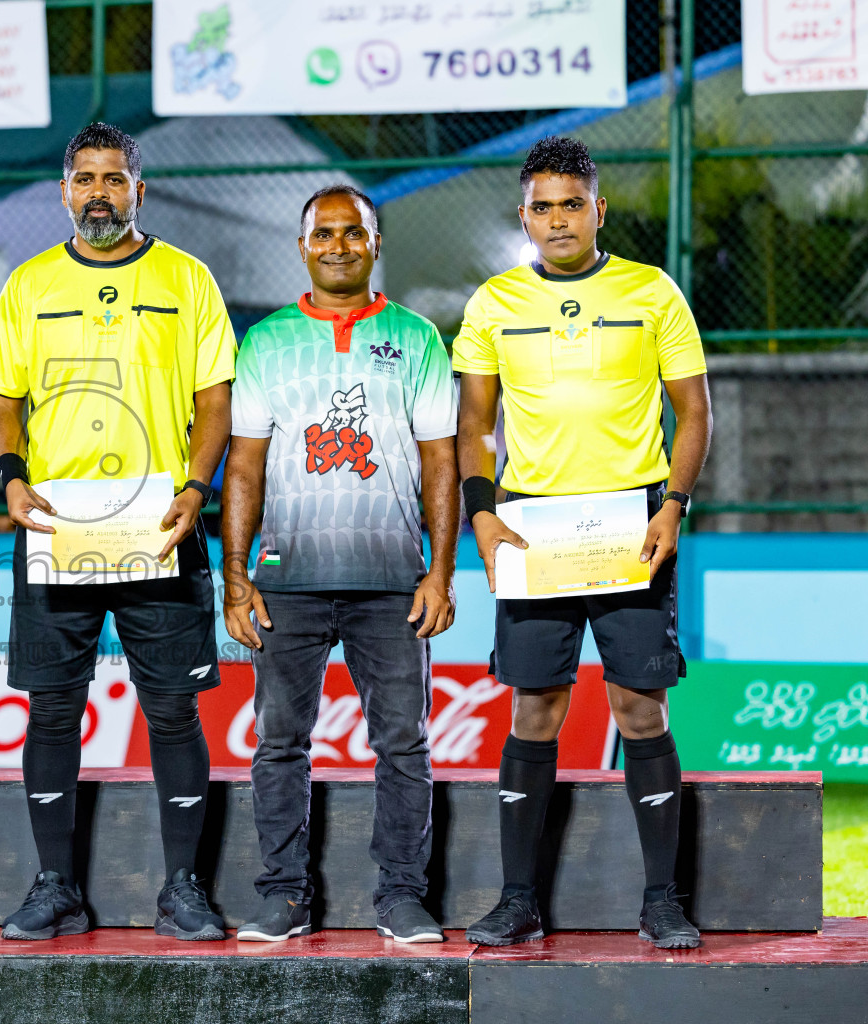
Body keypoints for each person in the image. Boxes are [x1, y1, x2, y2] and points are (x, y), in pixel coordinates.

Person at [453, 136, 711, 949]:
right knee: (538, 706)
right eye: (542, 206)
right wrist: (482, 513)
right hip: (534, 524)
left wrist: (673, 504)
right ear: (522, 214)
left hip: (632, 523)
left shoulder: (652, 291)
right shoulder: (493, 302)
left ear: (599, 209)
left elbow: (694, 411)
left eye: (572, 203)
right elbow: (473, 425)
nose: (558, 219)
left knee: (639, 706)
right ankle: (518, 899)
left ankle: (662, 900)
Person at [0, 123, 237, 941]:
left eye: (115, 178)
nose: (99, 192)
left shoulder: (186, 279)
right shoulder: (28, 284)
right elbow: (1, 399)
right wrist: (11, 478)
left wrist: (198, 486)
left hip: (160, 526)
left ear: (139, 190)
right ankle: (54, 886)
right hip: (57, 525)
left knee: (172, 710)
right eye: (85, 178)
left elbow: (215, 401)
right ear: (64, 191)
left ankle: (184, 890)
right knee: (53, 711)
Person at [223, 185, 459, 944]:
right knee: (279, 742)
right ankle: (284, 895)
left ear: (375, 244)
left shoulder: (418, 337)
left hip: (391, 580)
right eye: (322, 233)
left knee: (403, 742)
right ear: (302, 247)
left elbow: (441, 465)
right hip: (286, 580)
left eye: (351, 232)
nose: (337, 244)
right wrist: (235, 573)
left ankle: (400, 896)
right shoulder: (264, 343)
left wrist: (440, 572)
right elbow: (245, 470)